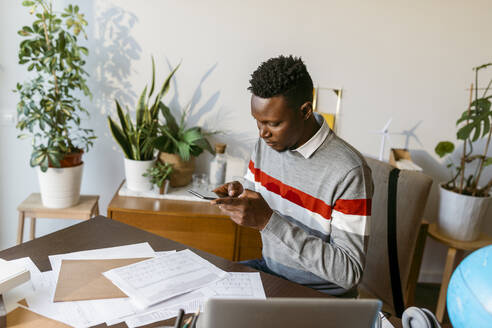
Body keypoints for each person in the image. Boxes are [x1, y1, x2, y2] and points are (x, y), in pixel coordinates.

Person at [212, 55, 373, 297]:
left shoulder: (348, 171)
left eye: (273, 123)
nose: (262, 133)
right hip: (272, 272)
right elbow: (257, 199)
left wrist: (269, 221)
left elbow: (348, 271)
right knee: (205, 302)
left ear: (305, 110)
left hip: (322, 295)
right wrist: (240, 195)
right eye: (257, 122)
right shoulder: (266, 145)